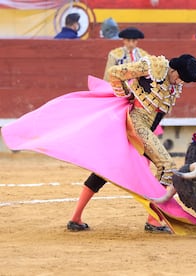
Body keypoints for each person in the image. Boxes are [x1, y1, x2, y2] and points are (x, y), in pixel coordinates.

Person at [67, 27, 166, 234]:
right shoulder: (117, 56)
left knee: (104, 169)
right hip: (124, 110)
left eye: (134, 40)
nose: (131, 43)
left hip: (132, 113)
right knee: (146, 168)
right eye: (128, 40)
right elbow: (109, 80)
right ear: (123, 40)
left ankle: (75, 218)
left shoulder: (145, 58)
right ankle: (153, 220)